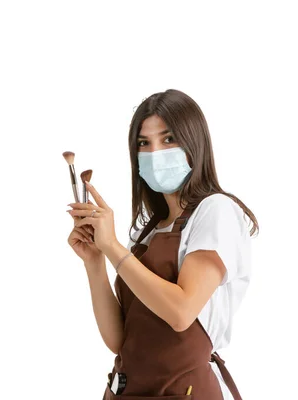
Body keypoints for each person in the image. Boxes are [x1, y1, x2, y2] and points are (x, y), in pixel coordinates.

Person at [66, 89, 258, 399]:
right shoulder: (146, 231)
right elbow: (121, 340)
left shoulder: (215, 211)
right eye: (144, 143)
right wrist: (95, 260)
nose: (155, 153)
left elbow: (182, 312)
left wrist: (114, 248)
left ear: (195, 143)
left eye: (168, 139)